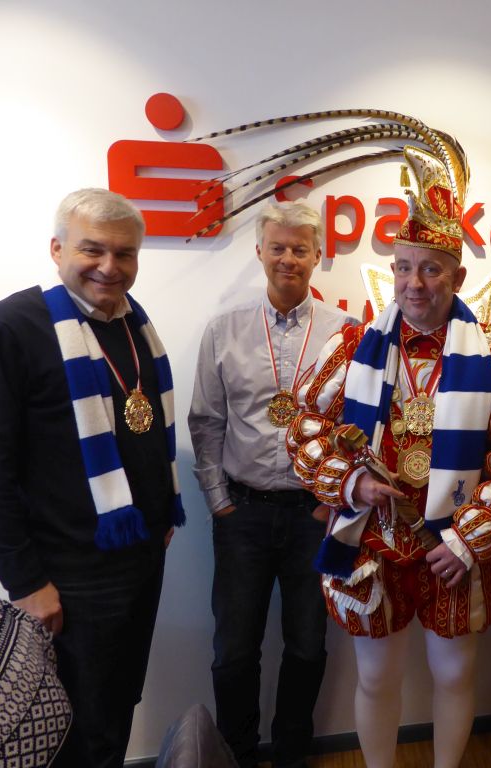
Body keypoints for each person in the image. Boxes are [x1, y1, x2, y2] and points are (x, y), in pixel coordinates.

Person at [287, 138, 491, 768]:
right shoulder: (354, 346)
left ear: (458, 277)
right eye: (403, 267)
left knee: (454, 675)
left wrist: (467, 541)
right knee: (377, 677)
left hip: (454, 547)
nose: (413, 283)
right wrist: (352, 484)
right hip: (372, 540)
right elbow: (306, 428)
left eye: (430, 269)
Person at [0, 188, 186, 768]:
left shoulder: (133, 323)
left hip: (138, 560)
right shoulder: (15, 326)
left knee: (116, 707)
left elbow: (143, 431)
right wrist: (26, 582)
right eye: (92, 249)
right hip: (67, 574)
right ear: (57, 249)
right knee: (71, 726)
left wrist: (161, 511)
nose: (109, 266)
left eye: (124, 253)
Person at [188, 201, 356, 768]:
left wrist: (333, 501)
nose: (288, 258)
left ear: (318, 256)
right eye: (278, 247)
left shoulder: (346, 334)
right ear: (260, 251)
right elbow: (206, 421)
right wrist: (219, 501)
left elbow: (360, 426)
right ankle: (236, 754)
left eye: (300, 249)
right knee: (234, 650)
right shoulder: (225, 329)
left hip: (315, 516)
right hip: (244, 513)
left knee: (307, 646)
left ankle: (291, 754)